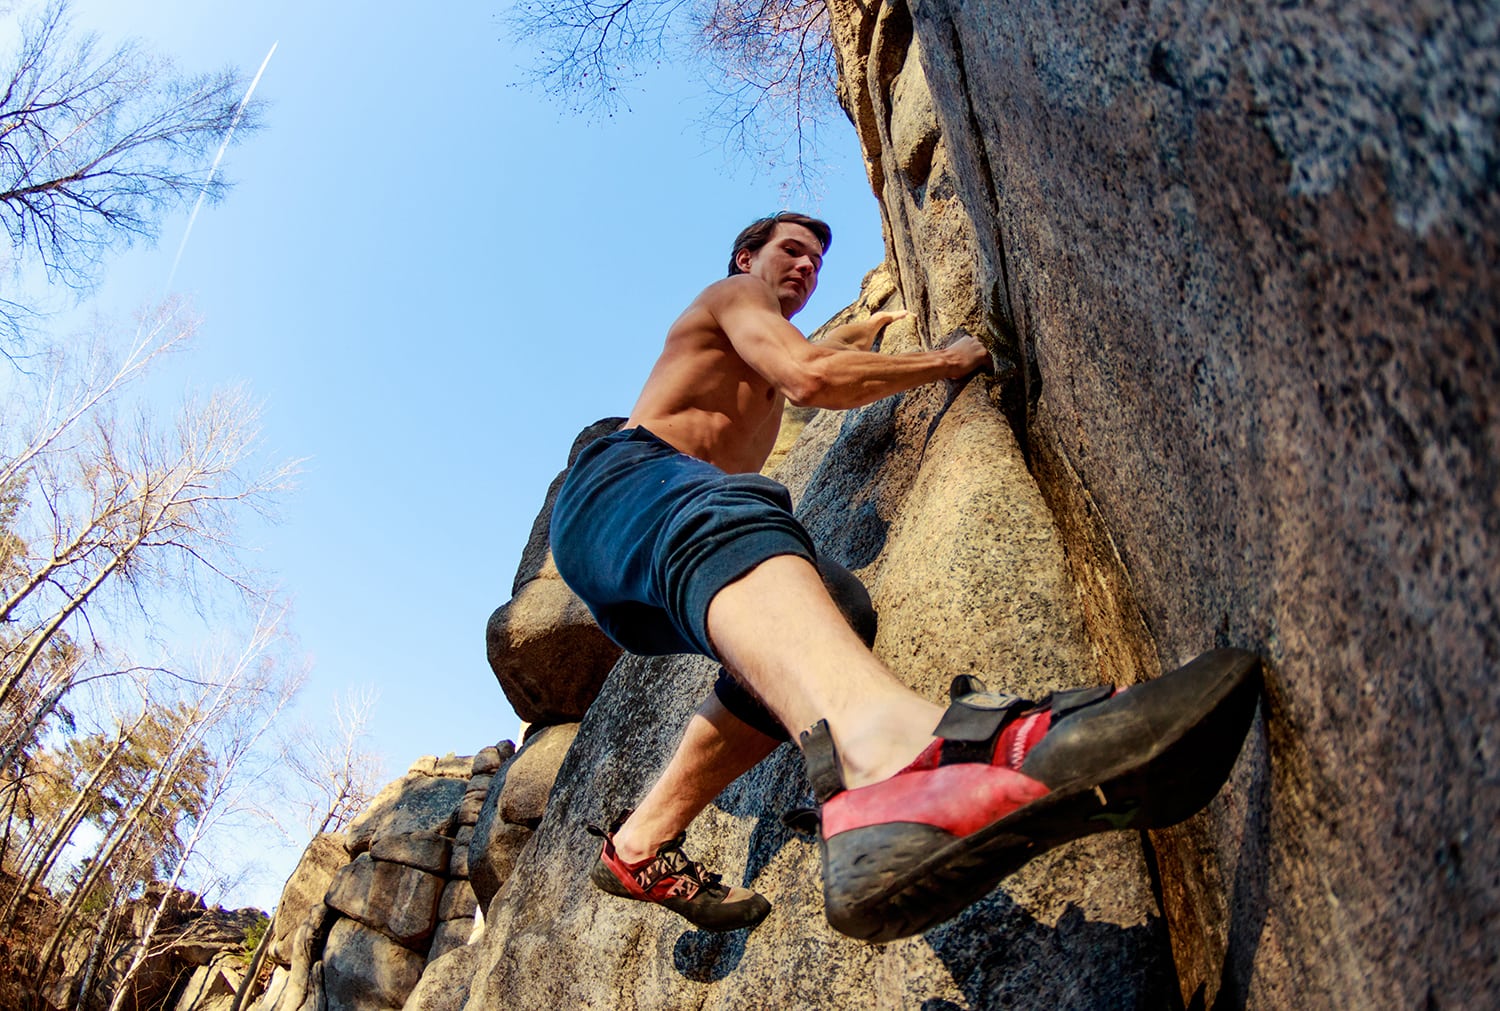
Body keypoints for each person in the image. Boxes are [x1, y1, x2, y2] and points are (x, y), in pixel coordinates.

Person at [550, 212, 1259, 941]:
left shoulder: (757, 352)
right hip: (626, 489)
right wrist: (947, 360)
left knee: (835, 607)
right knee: (735, 508)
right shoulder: (734, 297)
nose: (805, 268)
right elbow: (811, 375)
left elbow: (811, 364)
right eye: (790, 250)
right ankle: (896, 763)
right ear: (744, 257)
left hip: (660, 566)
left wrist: (853, 335)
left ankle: (639, 844)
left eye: (817, 263)